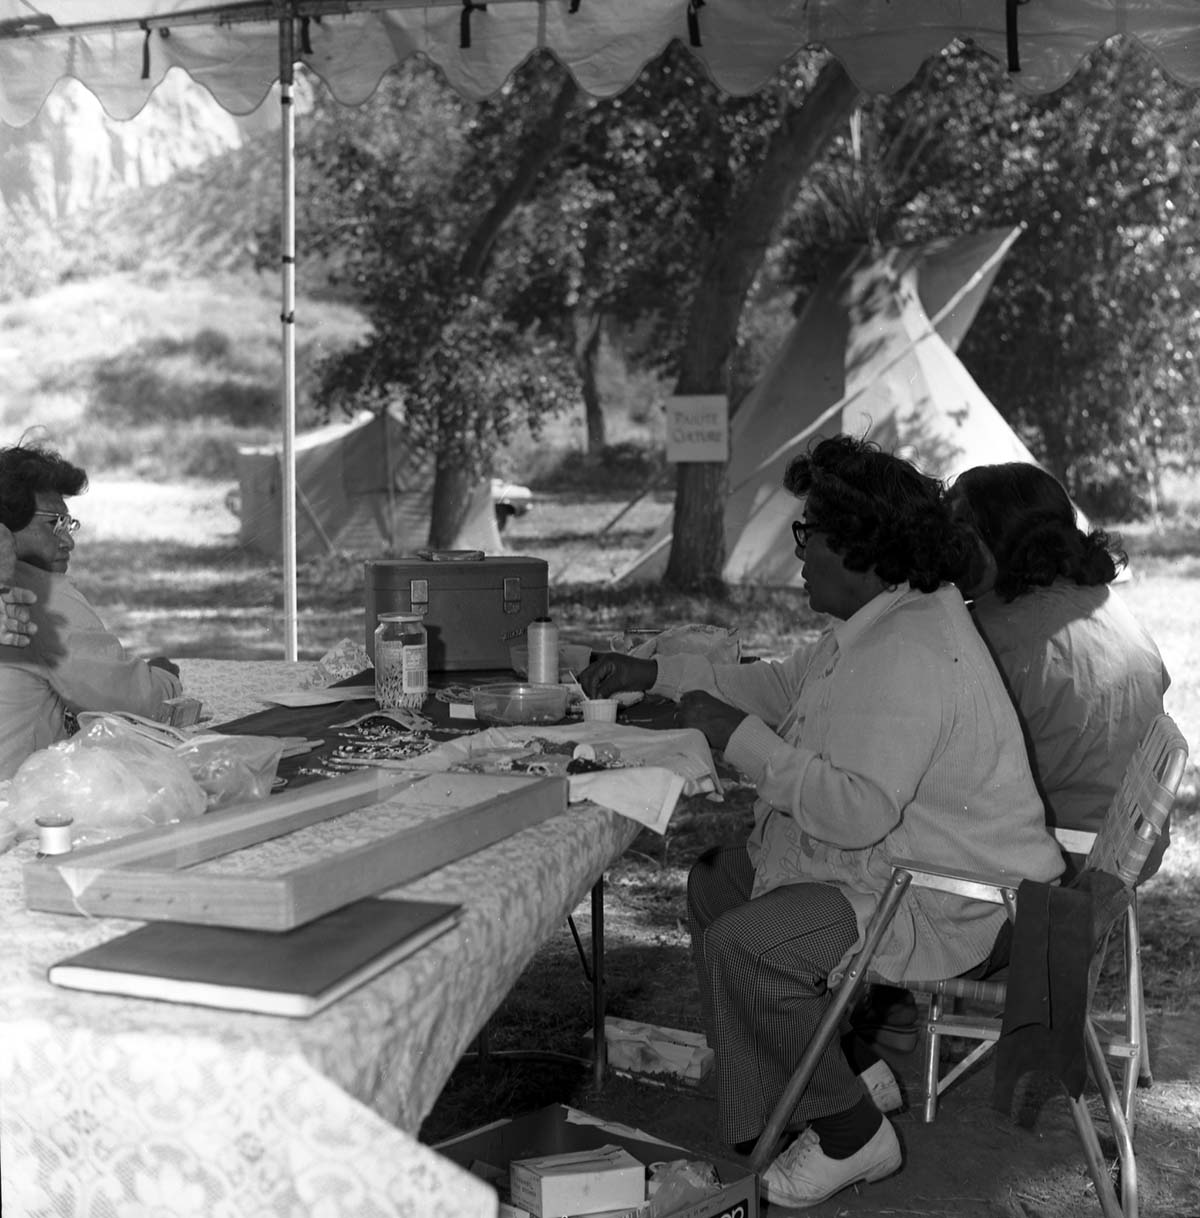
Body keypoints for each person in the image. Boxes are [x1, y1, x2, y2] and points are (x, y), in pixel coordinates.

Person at [581, 435, 1064, 1209]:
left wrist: (733, 736)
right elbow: (779, 686)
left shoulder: (912, 649)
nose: (798, 554)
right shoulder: (880, 621)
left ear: (866, 548)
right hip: (901, 866)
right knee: (717, 886)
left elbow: (853, 812)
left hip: (956, 894)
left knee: (752, 944)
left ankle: (853, 1135)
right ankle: (788, 1101)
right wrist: (653, 674)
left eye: (811, 536)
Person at [951, 462, 1171, 879]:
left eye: (959, 529)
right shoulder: (1100, 600)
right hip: (1129, 846)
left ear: (994, 539)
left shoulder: (997, 633)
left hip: (1065, 856)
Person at [0, 443, 183, 779]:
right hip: (18, 806)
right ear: (6, 530)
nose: (69, 541)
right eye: (55, 524)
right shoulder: (38, 595)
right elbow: (134, 703)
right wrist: (166, 679)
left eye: (69, 524)